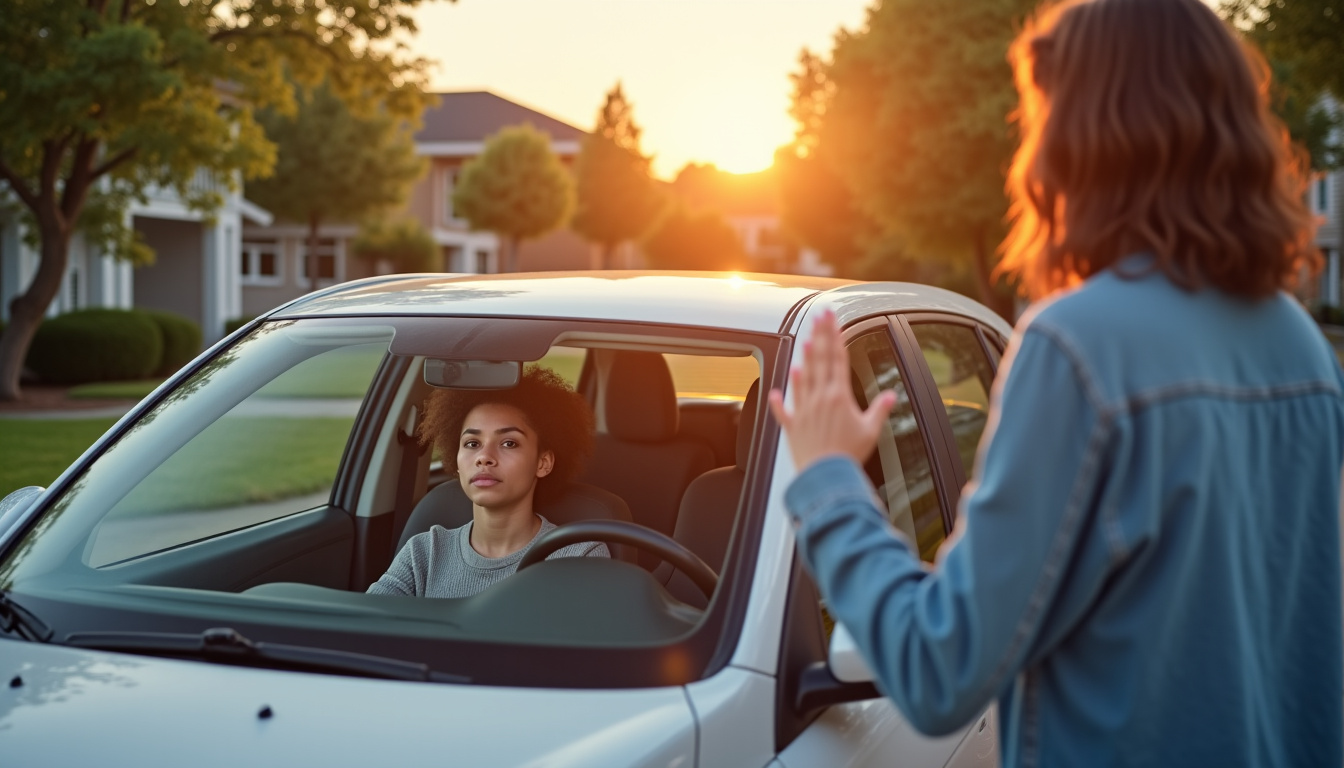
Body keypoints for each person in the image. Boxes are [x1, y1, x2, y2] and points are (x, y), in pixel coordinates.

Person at [769, 0, 1344, 765]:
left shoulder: (1079, 348)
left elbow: (940, 669)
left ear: (1082, 138)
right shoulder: (1299, 347)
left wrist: (832, 479)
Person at [368, 366, 608, 598]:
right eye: (472, 444)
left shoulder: (580, 557)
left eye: (509, 443)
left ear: (543, 463)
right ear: (457, 461)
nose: (484, 457)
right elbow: (367, 625)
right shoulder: (424, 552)